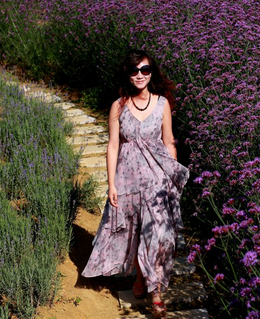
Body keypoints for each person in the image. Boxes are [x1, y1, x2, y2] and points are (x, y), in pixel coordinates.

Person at [81, 49, 189, 318]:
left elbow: (169, 141)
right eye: (134, 70)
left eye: (145, 70)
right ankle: (142, 280)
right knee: (137, 230)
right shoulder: (118, 106)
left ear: (151, 73)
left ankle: (156, 293)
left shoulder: (162, 103)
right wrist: (111, 184)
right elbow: (113, 146)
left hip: (157, 176)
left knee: (160, 234)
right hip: (128, 178)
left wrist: (172, 176)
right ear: (127, 74)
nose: (140, 75)